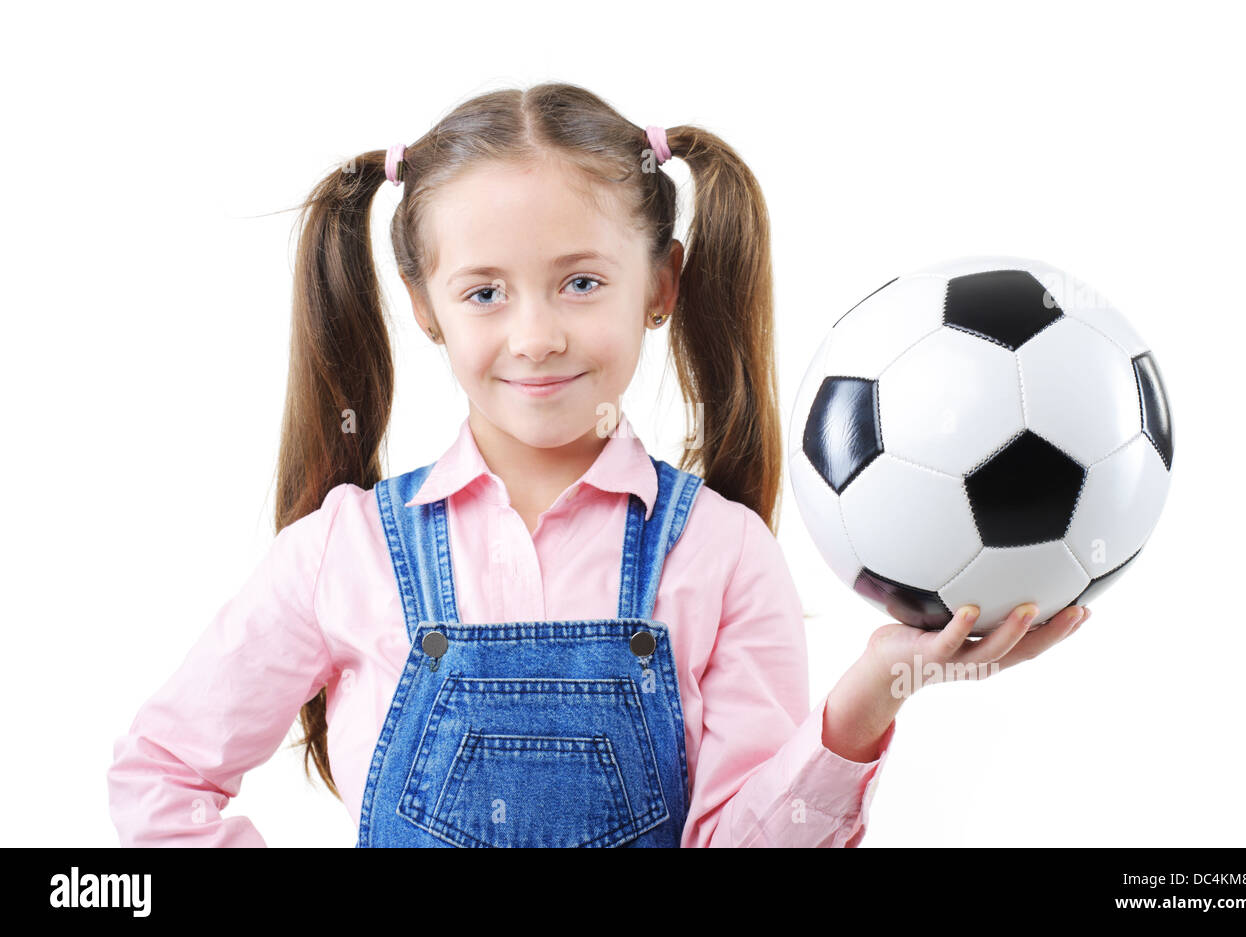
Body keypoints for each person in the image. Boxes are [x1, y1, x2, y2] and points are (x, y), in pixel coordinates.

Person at [106, 81, 1087, 848]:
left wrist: (873, 691)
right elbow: (160, 772)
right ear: (422, 305)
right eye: (484, 291)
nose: (535, 335)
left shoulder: (721, 553)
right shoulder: (343, 551)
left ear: (660, 283)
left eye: (581, 282)